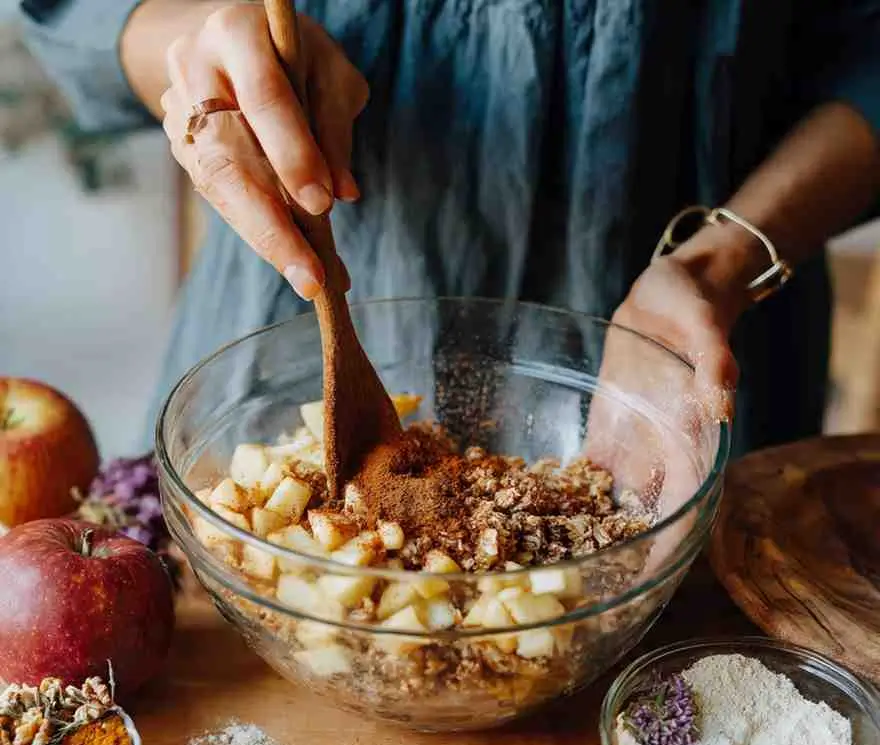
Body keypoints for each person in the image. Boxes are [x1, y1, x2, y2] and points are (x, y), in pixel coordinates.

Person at [20, 0, 880, 458]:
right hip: (294, 319)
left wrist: (719, 262)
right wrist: (199, 47)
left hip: (691, 334)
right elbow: (82, 14)